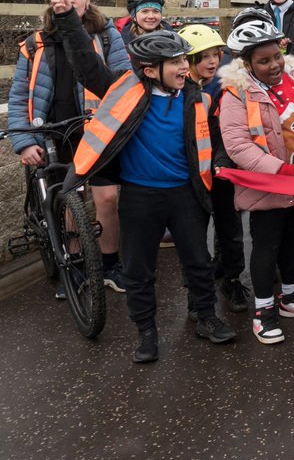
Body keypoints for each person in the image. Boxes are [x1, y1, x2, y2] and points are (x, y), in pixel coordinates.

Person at [65, 30, 235, 362]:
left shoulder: (197, 98)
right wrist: (66, 18)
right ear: (150, 69)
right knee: (138, 270)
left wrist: (221, 160)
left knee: (199, 262)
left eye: (184, 60)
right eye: (175, 62)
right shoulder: (126, 94)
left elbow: (214, 139)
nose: (185, 67)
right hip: (140, 197)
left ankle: (206, 316)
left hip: (186, 193)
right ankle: (146, 331)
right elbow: (87, 68)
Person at [9, 0, 130, 295]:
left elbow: (123, 82)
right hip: (53, 131)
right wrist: (23, 142)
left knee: (107, 197)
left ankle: (109, 264)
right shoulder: (34, 43)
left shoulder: (106, 34)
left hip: (97, 128)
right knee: (70, 199)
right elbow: (20, 95)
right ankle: (75, 266)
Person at [218, 21, 294, 345]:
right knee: (266, 246)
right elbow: (238, 146)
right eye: (263, 61)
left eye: (276, 56)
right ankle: (263, 311)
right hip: (269, 184)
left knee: (292, 240)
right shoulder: (236, 93)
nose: (274, 65)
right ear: (247, 64)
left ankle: (292, 296)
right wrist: (283, 171)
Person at [178, 24, 249, 313]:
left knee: (229, 227)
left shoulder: (224, 87)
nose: (212, 61)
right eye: (203, 56)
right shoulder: (177, 90)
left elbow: (227, 131)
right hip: (189, 172)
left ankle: (231, 278)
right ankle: (196, 290)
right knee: (192, 233)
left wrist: (222, 161)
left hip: (220, 169)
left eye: (216, 54)